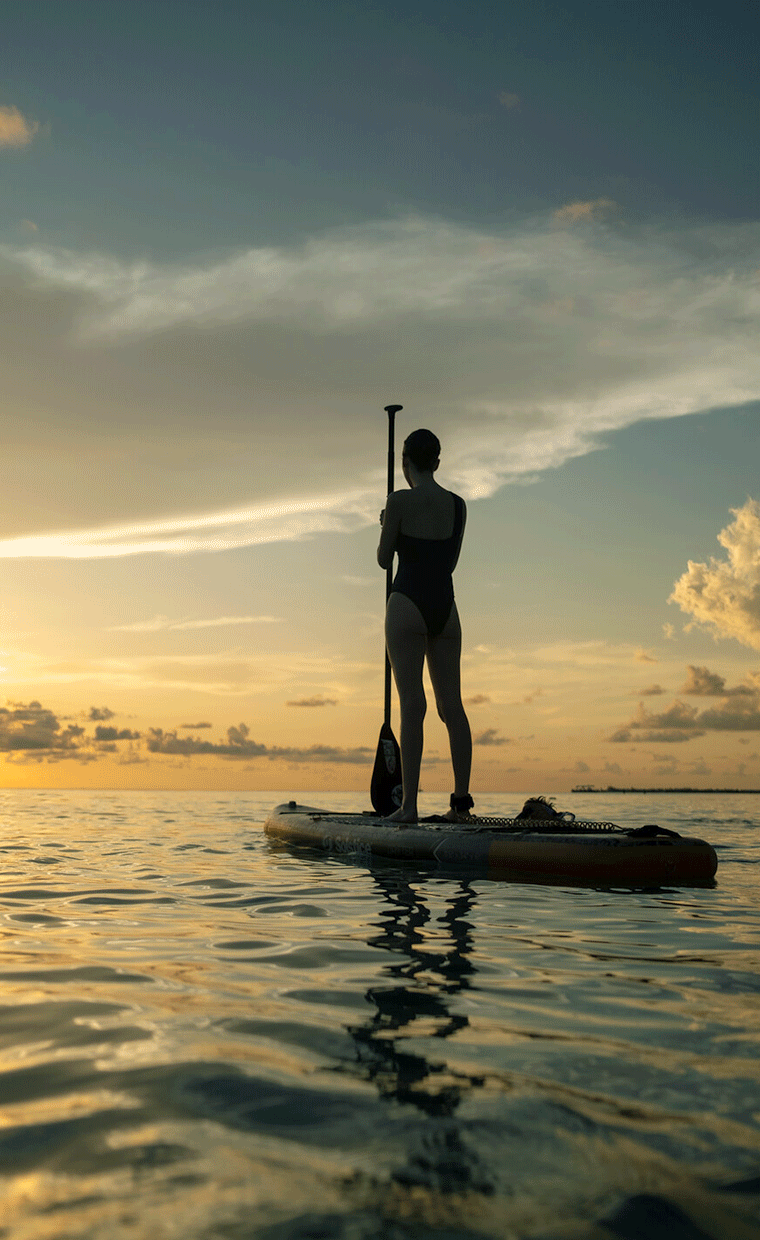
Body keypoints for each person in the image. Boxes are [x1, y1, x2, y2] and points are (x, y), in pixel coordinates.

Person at [377, 428, 473, 824]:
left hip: (407, 604)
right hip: (446, 608)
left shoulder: (398, 501)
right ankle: (461, 805)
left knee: (413, 704)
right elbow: (449, 564)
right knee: (453, 707)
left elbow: (384, 559)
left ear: (405, 462)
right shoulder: (459, 505)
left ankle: (410, 808)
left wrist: (389, 524)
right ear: (436, 461)